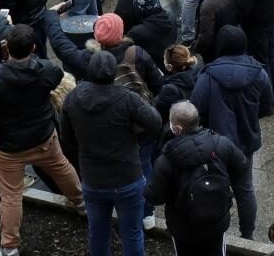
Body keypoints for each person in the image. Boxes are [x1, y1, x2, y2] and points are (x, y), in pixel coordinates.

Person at [59, 49, 164, 256]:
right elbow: (155, 122)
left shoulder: (73, 98)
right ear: (114, 73)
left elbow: (67, 139)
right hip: (127, 178)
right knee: (132, 233)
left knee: (97, 233)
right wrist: (137, 139)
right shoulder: (128, 98)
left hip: (93, 179)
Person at [146, 102, 254, 256]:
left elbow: (154, 196)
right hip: (216, 222)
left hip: (183, 227)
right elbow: (242, 165)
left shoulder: (166, 160)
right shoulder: (221, 143)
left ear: (177, 129)